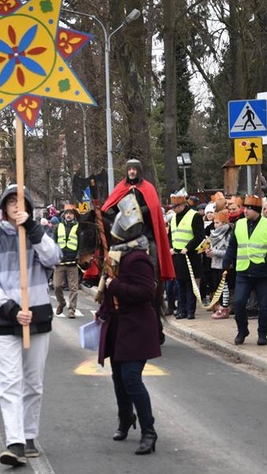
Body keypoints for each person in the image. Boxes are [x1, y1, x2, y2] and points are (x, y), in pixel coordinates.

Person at [0, 185, 61, 466]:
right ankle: (14, 443)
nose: (16, 206)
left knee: (33, 383)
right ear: (3, 208)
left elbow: (53, 258)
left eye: (21, 202)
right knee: (9, 382)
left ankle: (29, 435)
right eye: (11, 202)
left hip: (38, 317)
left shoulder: (40, 235)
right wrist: (13, 311)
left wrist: (34, 230)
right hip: (6, 320)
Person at [96, 193, 160, 455]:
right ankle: (125, 420)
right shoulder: (117, 256)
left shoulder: (137, 259)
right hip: (118, 327)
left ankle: (149, 431)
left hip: (137, 327)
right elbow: (109, 291)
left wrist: (115, 285)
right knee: (118, 378)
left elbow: (146, 292)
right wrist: (102, 310)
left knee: (131, 379)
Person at [101, 159, 175, 318]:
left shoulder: (147, 188)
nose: (132, 172)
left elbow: (153, 207)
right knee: (111, 260)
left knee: (152, 257)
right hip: (124, 236)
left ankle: (152, 284)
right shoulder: (122, 188)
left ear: (139, 171)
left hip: (145, 234)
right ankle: (107, 288)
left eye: (135, 169)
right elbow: (108, 208)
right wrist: (119, 215)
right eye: (130, 169)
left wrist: (137, 211)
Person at [222, 195, 267, 346]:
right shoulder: (239, 224)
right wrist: (226, 262)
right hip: (243, 271)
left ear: (256, 210)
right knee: (239, 302)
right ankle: (242, 330)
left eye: (249, 208)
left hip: (262, 272)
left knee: (264, 305)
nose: (245, 211)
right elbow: (232, 246)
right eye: (245, 208)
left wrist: (266, 260)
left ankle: (262, 333)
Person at [168, 193, 205, 319]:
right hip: (177, 255)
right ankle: (181, 309)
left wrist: (188, 248)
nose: (174, 209)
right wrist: (170, 248)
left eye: (176, 207)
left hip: (190, 255)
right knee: (180, 284)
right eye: (172, 207)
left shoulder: (194, 216)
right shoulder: (173, 218)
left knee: (190, 285)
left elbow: (199, 236)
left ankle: (190, 311)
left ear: (183, 205)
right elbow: (170, 236)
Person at [53, 207, 80, 318]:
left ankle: (71, 310)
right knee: (57, 286)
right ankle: (62, 302)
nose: (68, 215)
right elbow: (53, 242)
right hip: (60, 262)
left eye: (71, 214)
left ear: (74, 216)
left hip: (73, 263)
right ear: (64, 215)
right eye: (67, 213)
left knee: (73, 288)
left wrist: (78, 257)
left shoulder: (78, 228)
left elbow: (81, 244)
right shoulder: (58, 227)